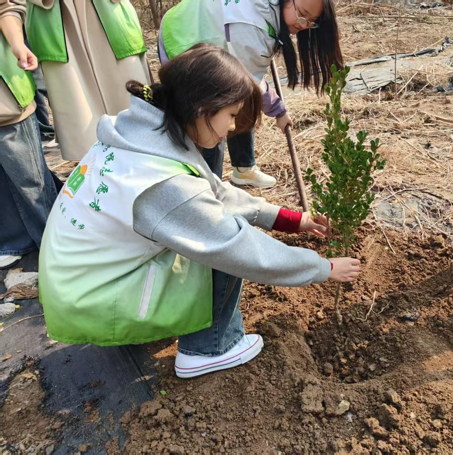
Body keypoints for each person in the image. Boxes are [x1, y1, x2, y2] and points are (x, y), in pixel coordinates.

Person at [39, 44, 360, 379]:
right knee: (219, 239)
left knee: (204, 226)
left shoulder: (143, 134)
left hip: (77, 283)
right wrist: (322, 268)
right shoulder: (164, 183)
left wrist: (293, 221)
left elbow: (212, 193)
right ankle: (210, 348)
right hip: (91, 301)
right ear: (202, 107)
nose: (233, 127)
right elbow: (235, 246)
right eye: (232, 114)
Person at [158, 0, 343, 187]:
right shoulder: (253, 31)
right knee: (212, 115)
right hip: (182, 35)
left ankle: (244, 169)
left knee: (240, 98)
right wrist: (278, 110)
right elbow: (250, 81)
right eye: (302, 14)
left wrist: (277, 108)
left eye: (311, 22)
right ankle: (208, 185)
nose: (303, 25)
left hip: (212, 30)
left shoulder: (268, 16)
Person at [24, 0, 151, 161]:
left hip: (109, 14)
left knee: (131, 98)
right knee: (78, 105)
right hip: (56, 20)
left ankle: (149, 156)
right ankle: (98, 167)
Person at [0, 0, 57, 269]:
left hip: (6, 96)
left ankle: (58, 242)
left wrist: (17, 44)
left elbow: (7, 6)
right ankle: (16, 242)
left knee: (31, 180)